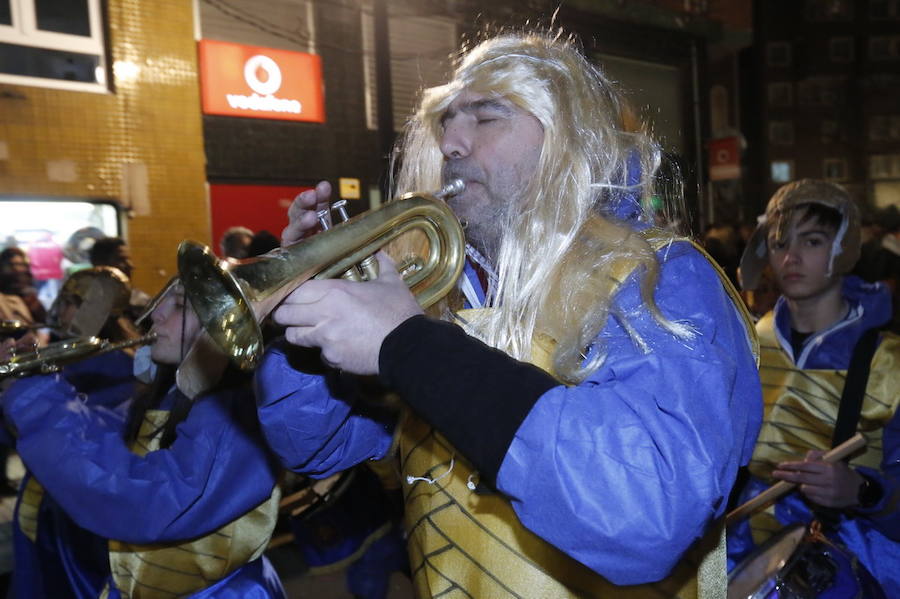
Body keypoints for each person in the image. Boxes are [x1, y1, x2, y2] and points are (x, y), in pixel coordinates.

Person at [249, 31, 762, 597]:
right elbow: (314, 447)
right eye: (447, 120)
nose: (452, 143)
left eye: (486, 117)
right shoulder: (438, 287)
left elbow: (650, 512)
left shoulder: (658, 276)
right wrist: (309, 311)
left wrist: (413, 349)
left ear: (563, 137)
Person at [2, 279, 286, 597]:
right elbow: (111, 439)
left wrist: (34, 398)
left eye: (178, 306)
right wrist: (35, 381)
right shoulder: (174, 393)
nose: (154, 316)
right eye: (160, 302)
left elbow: (149, 500)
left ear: (228, 325)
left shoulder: (236, 414)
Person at [729, 179, 900, 593]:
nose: (791, 256)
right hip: (742, 563)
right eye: (780, 242)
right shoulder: (743, 349)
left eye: (812, 241)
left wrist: (861, 489)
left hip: (849, 571)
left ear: (843, 248)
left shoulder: (889, 363)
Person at [88, 237, 151, 324]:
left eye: (129, 259)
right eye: (121, 259)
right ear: (100, 264)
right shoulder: (85, 302)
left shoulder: (140, 300)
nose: (131, 265)